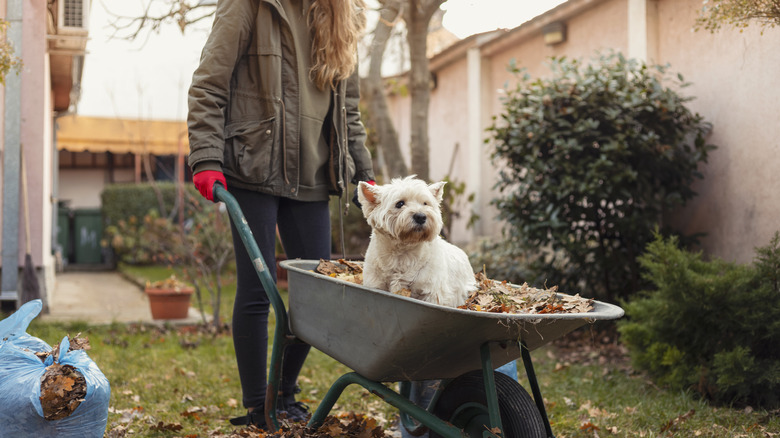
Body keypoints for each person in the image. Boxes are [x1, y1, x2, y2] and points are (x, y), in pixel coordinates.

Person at [187, 0, 375, 428]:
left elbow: (349, 115)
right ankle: (260, 405)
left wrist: (366, 176)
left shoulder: (342, 16)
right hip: (253, 165)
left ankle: (283, 392)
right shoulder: (250, 5)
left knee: (318, 295)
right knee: (256, 290)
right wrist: (206, 159)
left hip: (312, 175)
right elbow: (208, 85)